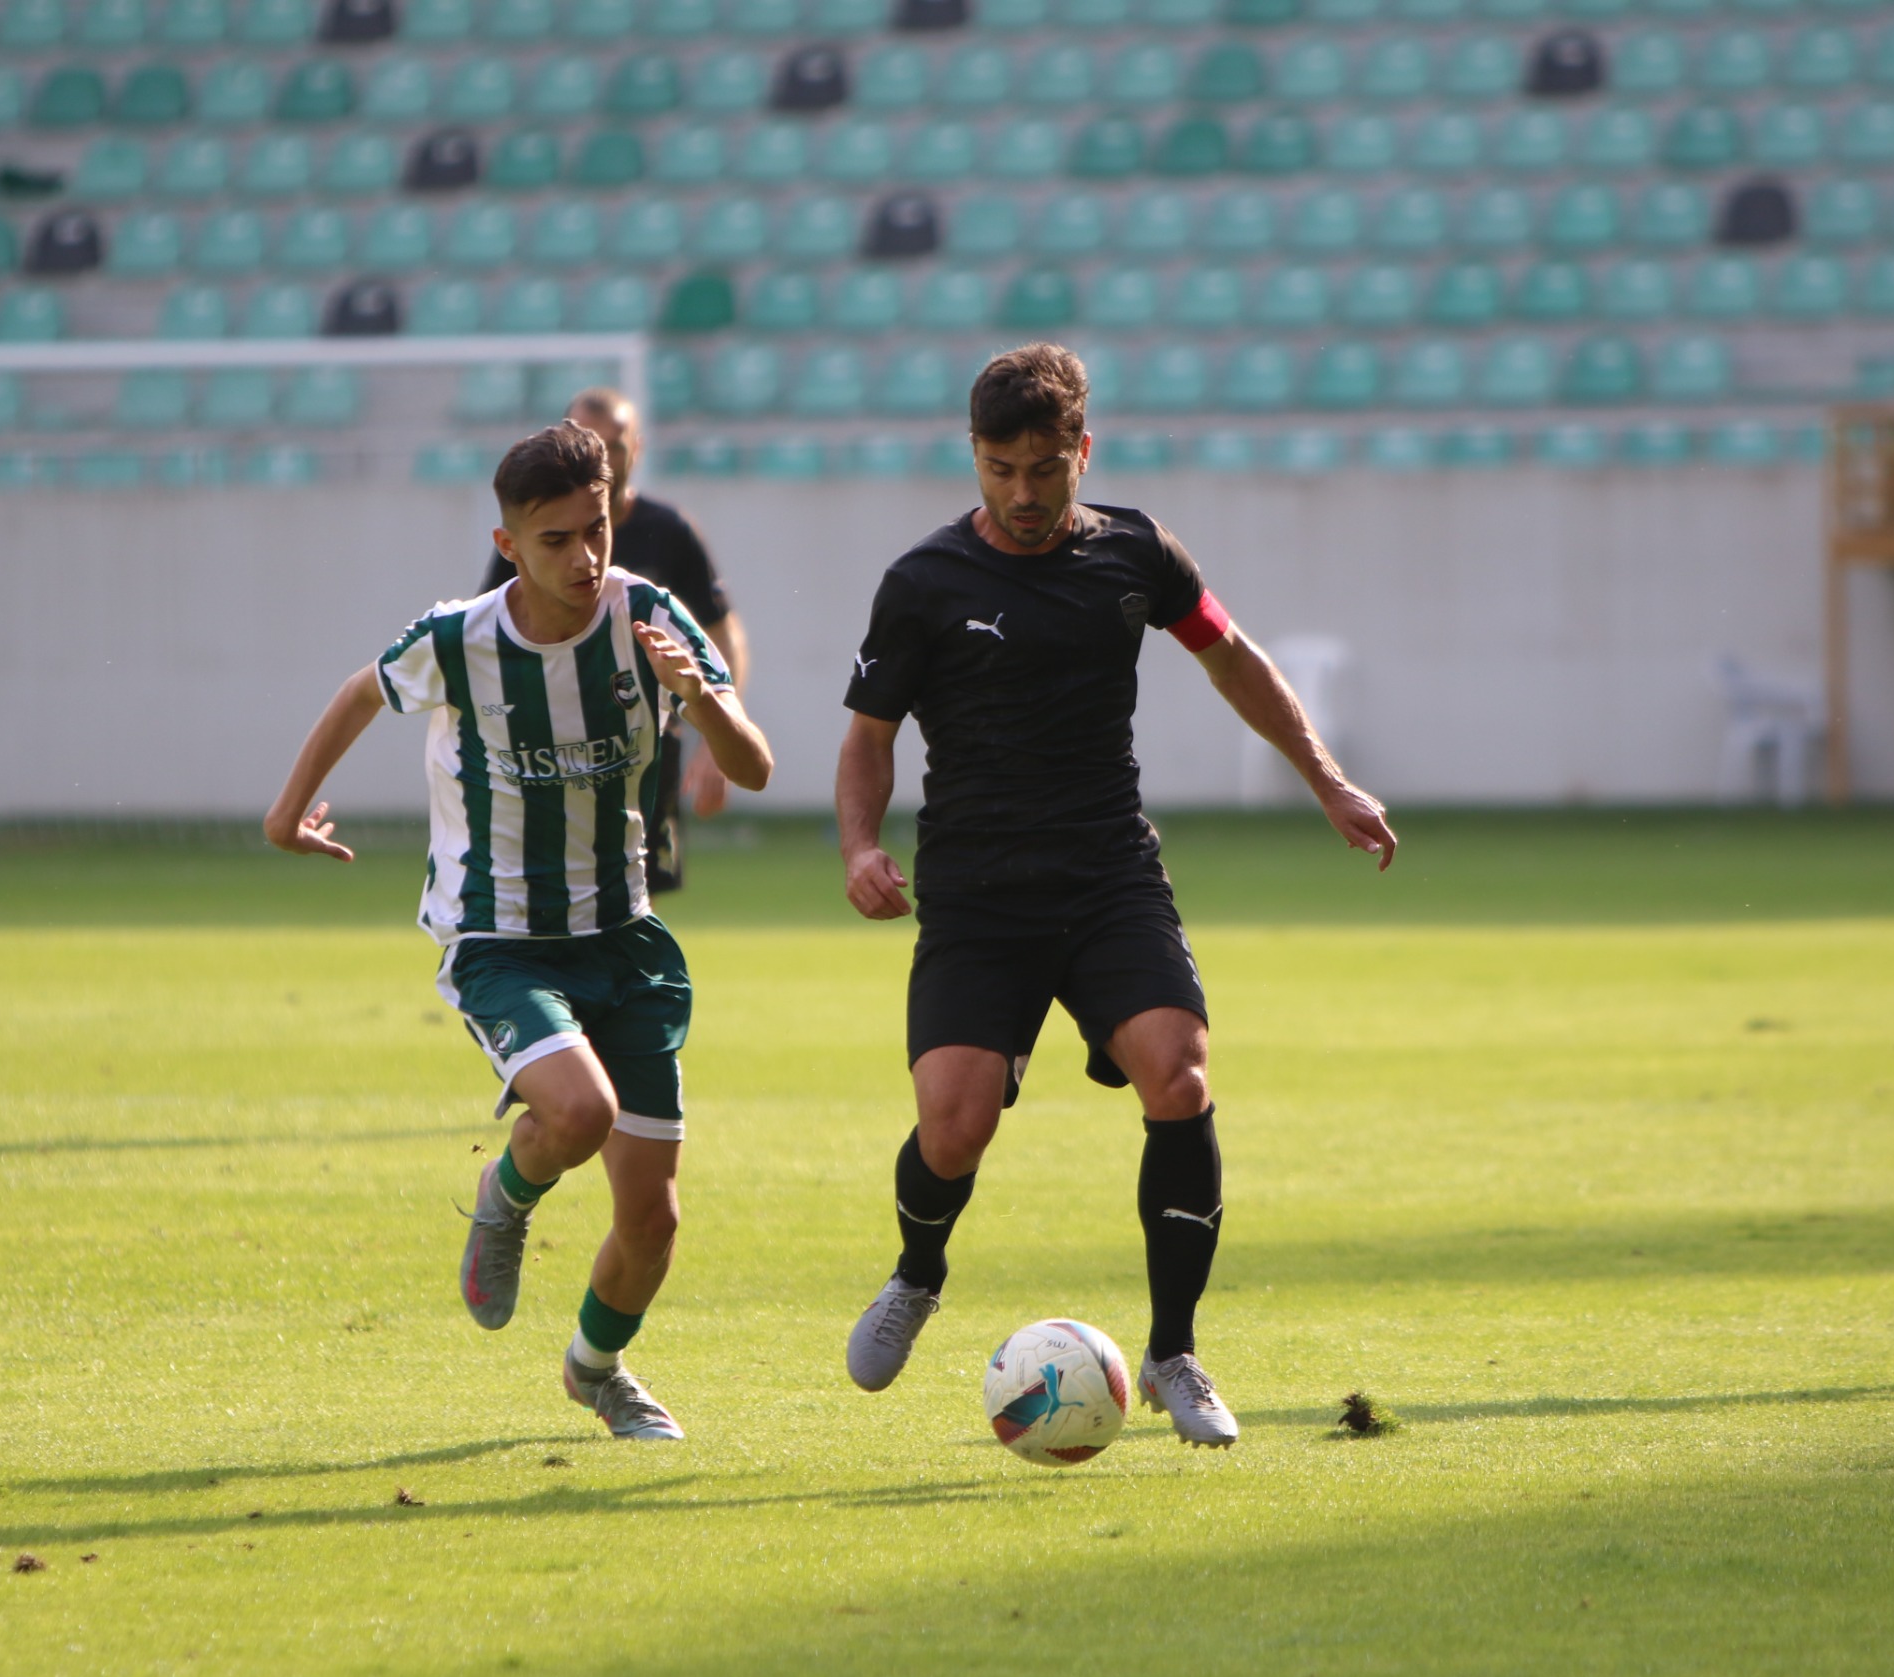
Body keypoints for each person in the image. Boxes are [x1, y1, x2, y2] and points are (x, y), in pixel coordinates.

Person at [833, 344, 1396, 1447]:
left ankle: (1175, 1350)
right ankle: (916, 1271)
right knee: (952, 1126)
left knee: (1178, 1077)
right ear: (975, 458)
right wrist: (858, 845)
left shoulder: (1136, 553)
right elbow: (868, 736)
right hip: (979, 892)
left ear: (1082, 451)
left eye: (1046, 467)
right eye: (1001, 468)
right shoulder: (924, 582)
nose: (1026, 493)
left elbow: (1231, 657)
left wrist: (1324, 777)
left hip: (1105, 872)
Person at [266, 422, 773, 1439]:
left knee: (653, 1219)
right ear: (509, 546)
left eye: (596, 532)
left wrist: (699, 701)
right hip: (498, 937)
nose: (584, 559)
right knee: (577, 1114)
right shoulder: (458, 638)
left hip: (624, 936)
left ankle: (596, 1368)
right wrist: (286, 815)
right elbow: (360, 691)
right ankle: (505, 1199)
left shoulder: (649, 619)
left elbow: (754, 764)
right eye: (556, 540)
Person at [479, 388, 748, 892]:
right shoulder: (532, 533)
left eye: (615, 445)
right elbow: (492, 635)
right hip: (550, 745)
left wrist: (720, 729)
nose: (602, 454)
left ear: (637, 449)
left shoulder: (669, 531)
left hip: (643, 741)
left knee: (631, 886)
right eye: (590, 440)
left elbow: (719, 633)